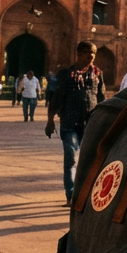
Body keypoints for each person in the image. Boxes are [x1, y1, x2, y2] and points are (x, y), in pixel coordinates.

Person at [45, 41, 105, 206]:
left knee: (89, 159)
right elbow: (56, 98)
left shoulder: (97, 74)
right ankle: (71, 195)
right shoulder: (66, 74)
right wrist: (50, 120)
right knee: (71, 158)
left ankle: (85, 193)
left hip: (90, 123)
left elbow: (101, 98)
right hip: (69, 122)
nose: (91, 56)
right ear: (79, 53)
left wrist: (105, 120)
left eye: (93, 53)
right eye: (87, 53)